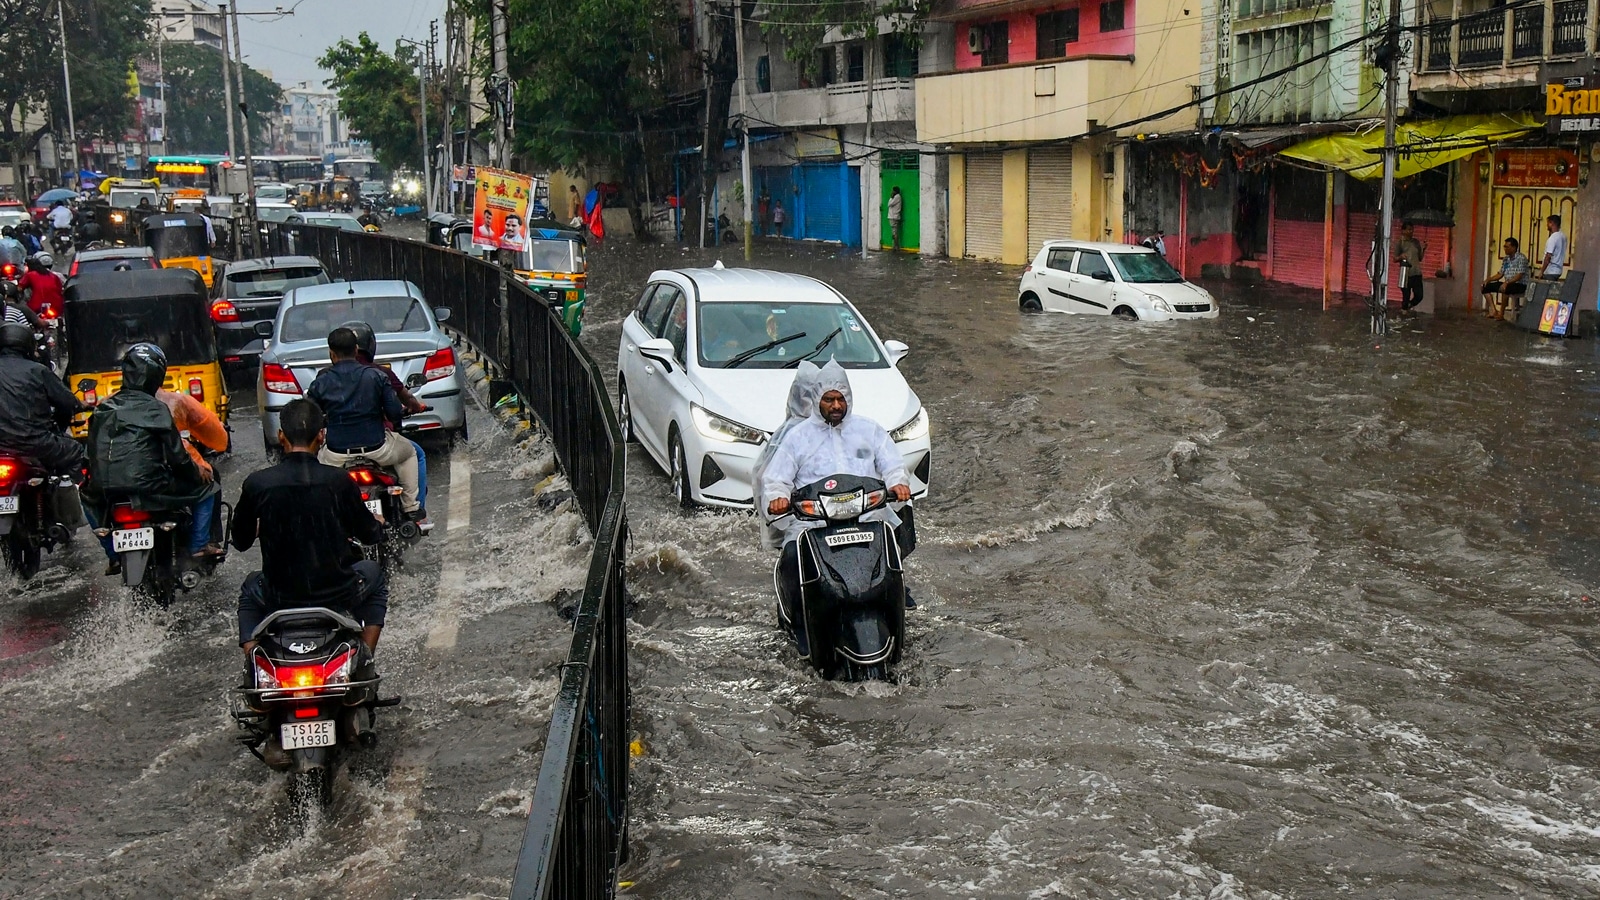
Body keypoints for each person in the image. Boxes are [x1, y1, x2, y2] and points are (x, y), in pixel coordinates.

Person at [763, 361, 915, 634]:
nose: (836, 405)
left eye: (840, 399)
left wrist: (898, 483)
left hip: (866, 517)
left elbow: (892, 464)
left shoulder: (869, 430)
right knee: (793, 556)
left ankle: (895, 599)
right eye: (829, 399)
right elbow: (776, 479)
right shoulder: (797, 438)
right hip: (813, 523)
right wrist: (778, 497)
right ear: (817, 400)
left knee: (892, 545)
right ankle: (798, 620)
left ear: (849, 399)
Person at [233, 398, 387, 657]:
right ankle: (365, 656)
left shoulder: (258, 484)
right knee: (374, 573)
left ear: (281, 436)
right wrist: (378, 523)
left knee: (250, 586)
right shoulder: (339, 481)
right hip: (338, 592)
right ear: (321, 436)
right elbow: (369, 534)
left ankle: (254, 659)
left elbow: (241, 541)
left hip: (278, 595)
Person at [82, 344, 221, 572]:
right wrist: (198, 472)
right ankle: (199, 546)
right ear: (157, 376)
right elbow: (179, 458)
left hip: (105, 489)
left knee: (85, 497)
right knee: (210, 487)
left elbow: (90, 455)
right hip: (152, 487)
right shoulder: (157, 409)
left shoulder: (102, 409)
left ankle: (113, 554)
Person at [306, 327, 429, 530]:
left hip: (336, 454)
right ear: (356, 350)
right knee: (410, 453)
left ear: (331, 353)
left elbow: (311, 417)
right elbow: (394, 413)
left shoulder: (320, 382)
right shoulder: (377, 376)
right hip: (378, 449)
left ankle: (321, 514)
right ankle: (411, 507)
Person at [342, 320, 429, 511]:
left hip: (337, 450)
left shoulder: (325, 377)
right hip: (378, 444)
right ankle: (414, 508)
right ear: (370, 345)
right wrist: (413, 408)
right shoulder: (381, 374)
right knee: (416, 454)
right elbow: (397, 409)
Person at [0, 322, 87, 475]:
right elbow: (68, 402)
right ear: (28, 345)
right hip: (36, 444)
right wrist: (80, 405)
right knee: (78, 452)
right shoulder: (37, 371)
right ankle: (71, 489)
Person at [753, 361, 822, 551]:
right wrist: (778, 500)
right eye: (809, 396)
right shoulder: (788, 436)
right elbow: (766, 478)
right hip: (800, 517)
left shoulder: (838, 430)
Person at [1482, 237, 1530, 318]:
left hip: (1520, 284)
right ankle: (1493, 310)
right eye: (1504, 247)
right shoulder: (1506, 259)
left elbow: (1519, 275)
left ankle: (1501, 313)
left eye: (1507, 247)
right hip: (1507, 283)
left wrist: (1507, 282)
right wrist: (1488, 279)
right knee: (1485, 287)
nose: (1505, 249)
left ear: (1514, 248)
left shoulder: (1521, 258)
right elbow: (1500, 274)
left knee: (1505, 288)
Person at [1393, 222, 1425, 312]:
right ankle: (1403, 312)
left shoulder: (1416, 242)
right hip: (1406, 273)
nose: (1411, 231)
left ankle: (1409, 306)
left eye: (1412, 229)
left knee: (1419, 295)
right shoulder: (1400, 243)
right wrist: (1401, 257)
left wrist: (1423, 249)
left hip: (1416, 273)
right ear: (1403, 231)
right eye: (1408, 229)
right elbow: (1394, 259)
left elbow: (1420, 258)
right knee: (1406, 296)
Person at [18, 254, 62, 318]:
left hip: (37, 306)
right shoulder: (53, 276)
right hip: (56, 305)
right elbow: (59, 289)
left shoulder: (29, 275)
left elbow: (19, 288)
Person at [1540, 214, 1567, 281]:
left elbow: (1548, 256)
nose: (1547, 225)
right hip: (1558, 270)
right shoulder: (1563, 236)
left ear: (1551, 223)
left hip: (1550, 271)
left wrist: (1541, 271)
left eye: (1548, 223)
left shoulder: (1553, 238)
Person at [887, 186, 904, 252]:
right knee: (894, 232)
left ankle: (896, 247)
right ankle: (895, 246)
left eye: (893, 190)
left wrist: (891, 197)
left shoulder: (897, 197)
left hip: (893, 216)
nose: (892, 192)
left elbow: (889, 204)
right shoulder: (897, 197)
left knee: (894, 232)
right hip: (894, 216)